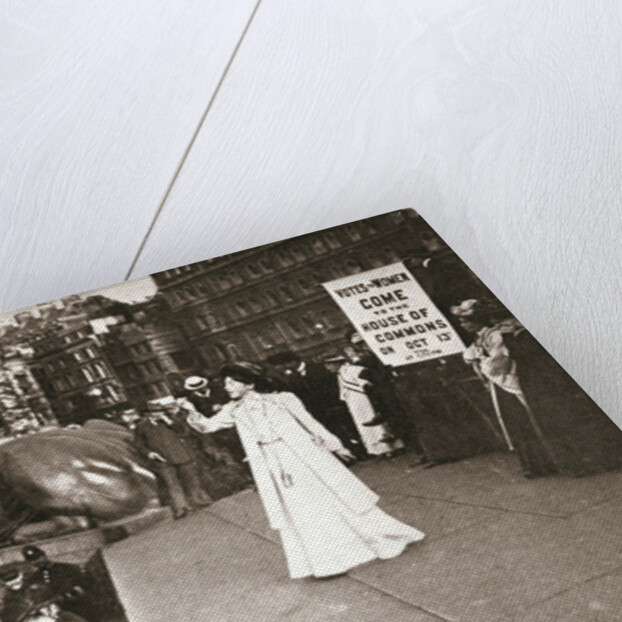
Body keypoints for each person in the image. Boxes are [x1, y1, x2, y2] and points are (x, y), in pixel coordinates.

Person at [186, 362, 425, 579]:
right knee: (300, 509)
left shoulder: (283, 399)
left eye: (231, 382)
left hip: (304, 457)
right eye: (225, 383)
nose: (227, 387)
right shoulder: (233, 410)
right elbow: (207, 426)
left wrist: (335, 445)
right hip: (272, 464)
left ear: (249, 384)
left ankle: (386, 539)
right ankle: (327, 562)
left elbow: (310, 423)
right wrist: (188, 409)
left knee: (334, 497)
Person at [266, 351, 366, 459]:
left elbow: (332, 386)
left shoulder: (318, 369)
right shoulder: (293, 377)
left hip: (334, 406)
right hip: (318, 411)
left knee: (351, 428)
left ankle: (364, 449)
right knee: (336, 432)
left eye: (282, 364)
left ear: (292, 362)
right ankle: (352, 452)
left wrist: (334, 403)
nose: (280, 368)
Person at [134, 401, 212, 518]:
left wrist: (169, 422)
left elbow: (183, 432)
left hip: (180, 455)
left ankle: (199, 500)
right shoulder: (141, 426)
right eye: (155, 412)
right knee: (172, 484)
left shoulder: (171, 421)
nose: (158, 414)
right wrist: (149, 453)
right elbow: (139, 444)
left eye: (160, 411)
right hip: (162, 460)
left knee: (190, 479)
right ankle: (182, 508)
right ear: (148, 414)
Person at [337, 345, 404, 457]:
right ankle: (379, 450)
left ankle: (392, 447)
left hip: (364, 399)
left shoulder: (353, 369)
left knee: (377, 424)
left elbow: (367, 384)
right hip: (354, 402)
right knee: (365, 425)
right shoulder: (341, 373)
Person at [21, 547, 92, 622]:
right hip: (54, 614)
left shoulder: (67, 568)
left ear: (44, 555)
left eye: (38, 557)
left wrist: (63, 597)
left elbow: (85, 587)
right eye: (32, 560)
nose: (37, 561)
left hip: (78, 607)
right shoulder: (35, 578)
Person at [0, 562, 85, 622]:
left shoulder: (36, 586)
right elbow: (10, 616)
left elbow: (52, 598)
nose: (14, 583)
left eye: (16, 578)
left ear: (21, 575)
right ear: (4, 582)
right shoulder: (7, 597)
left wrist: (52, 606)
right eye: (8, 581)